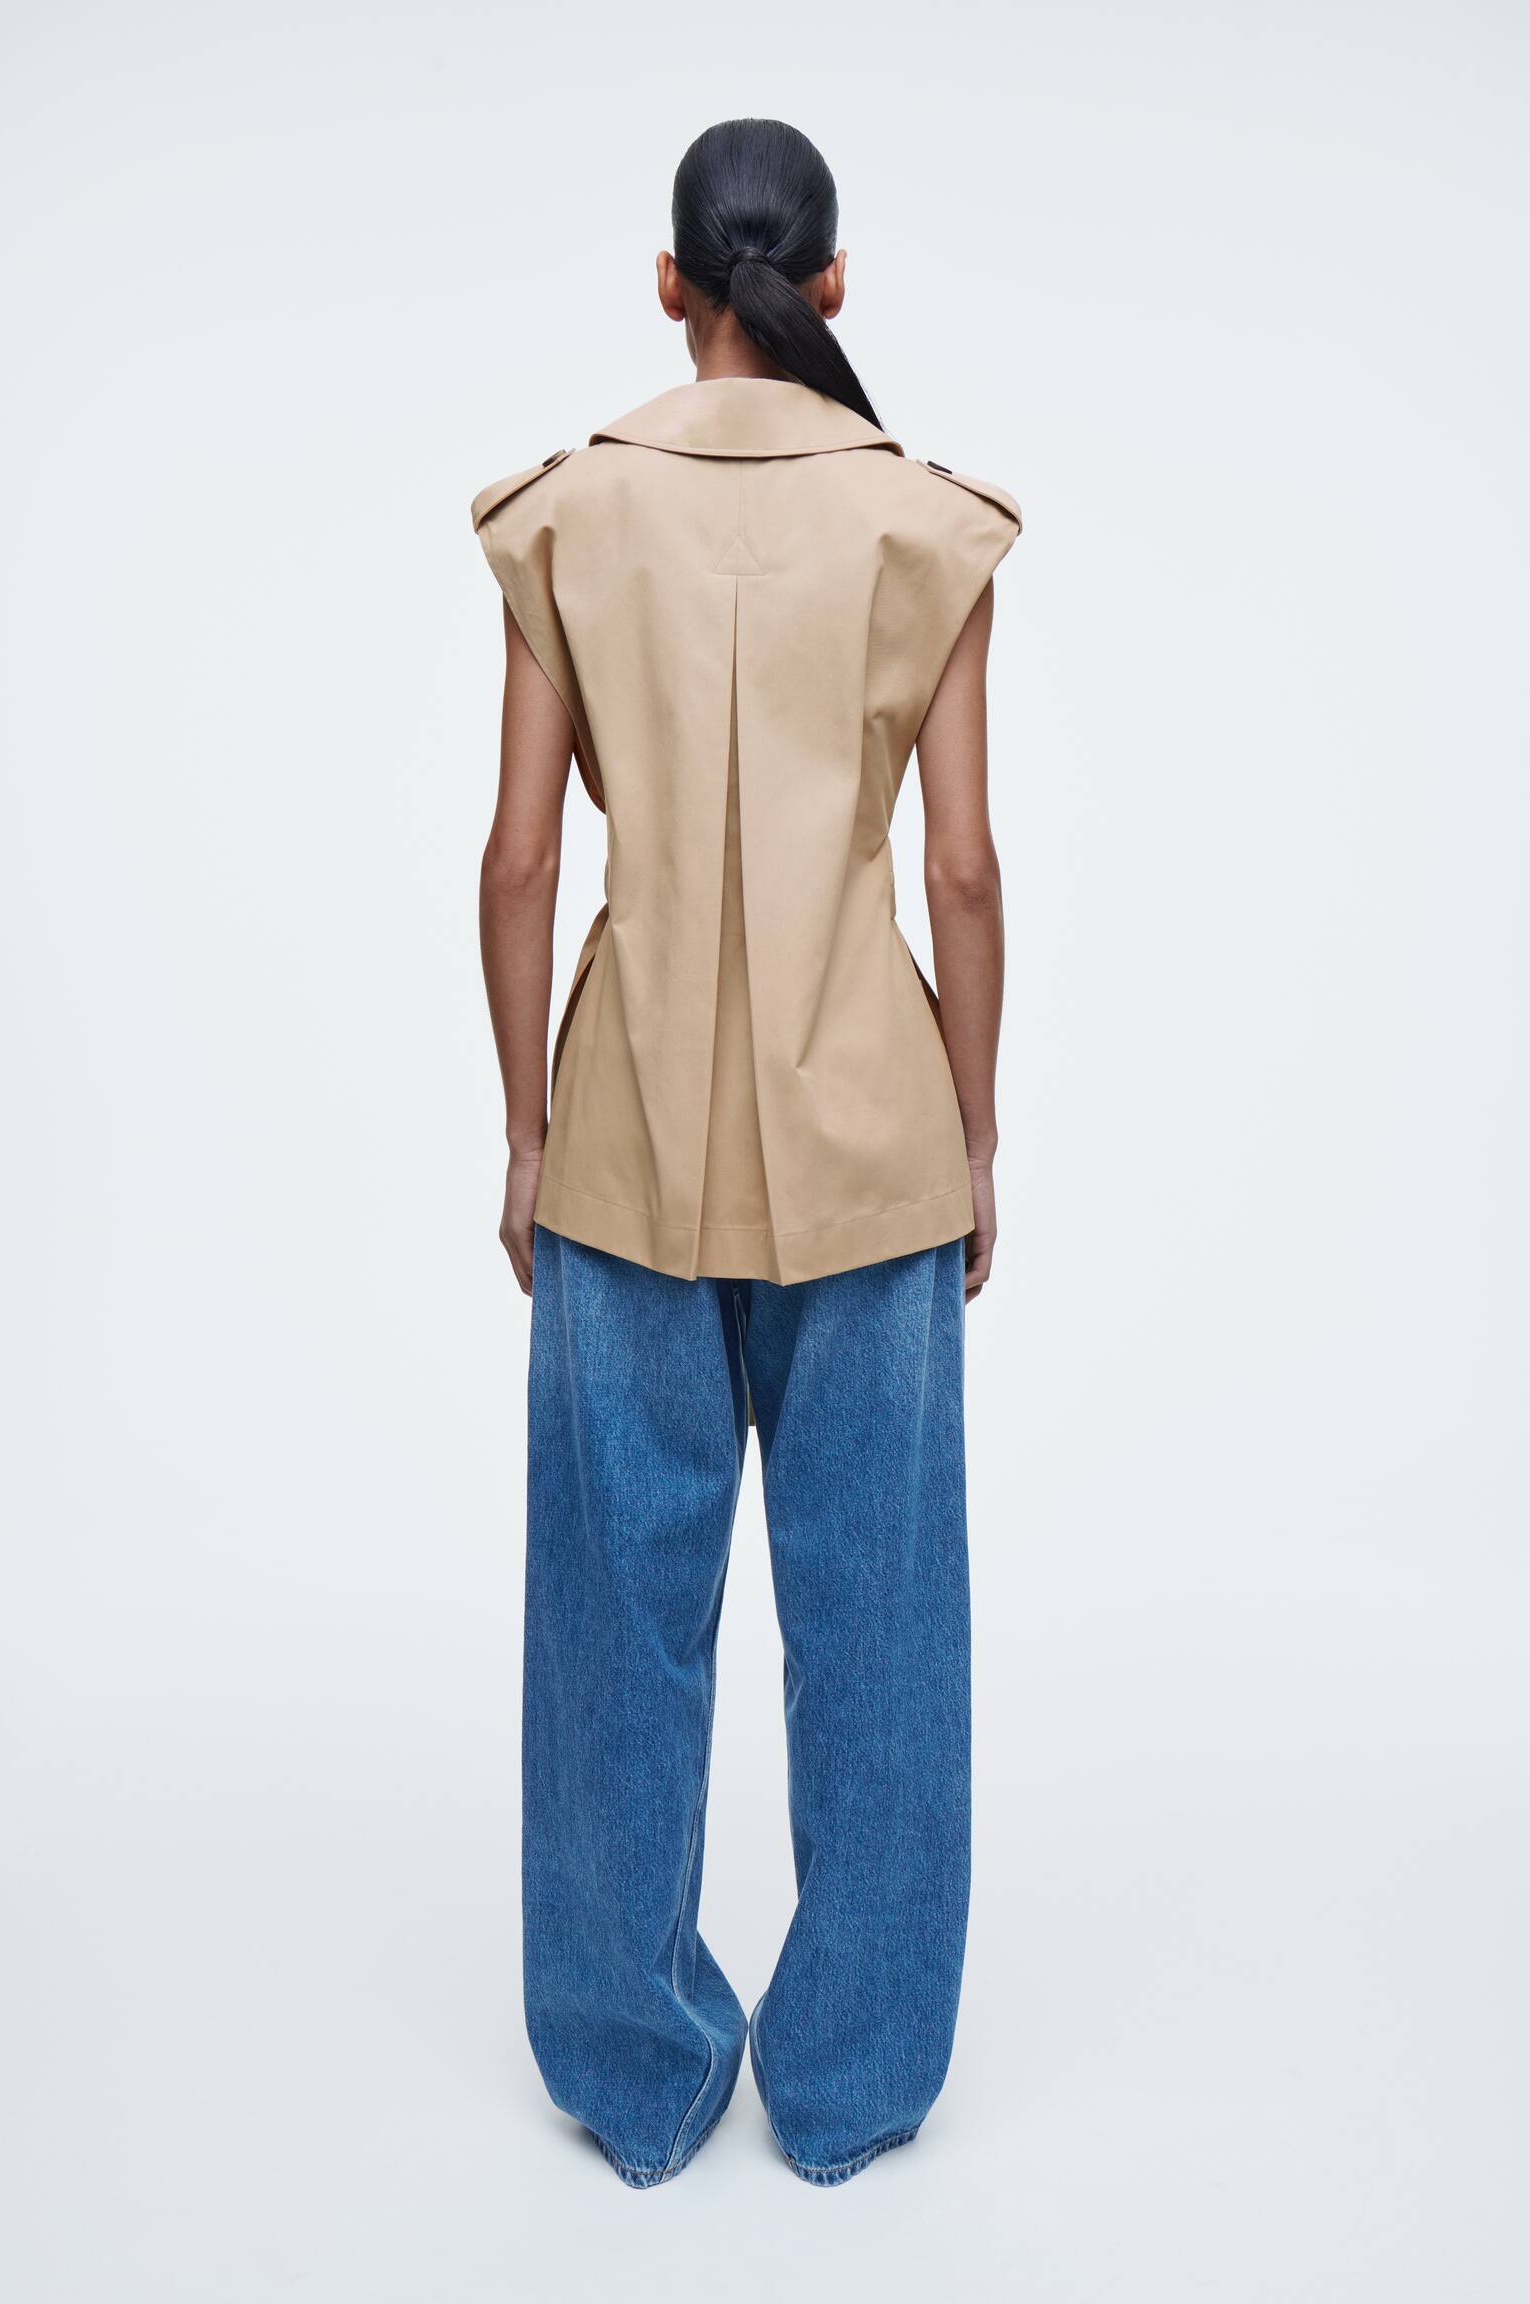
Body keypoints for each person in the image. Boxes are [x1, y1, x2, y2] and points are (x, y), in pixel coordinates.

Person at [472, 117, 1020, 2189]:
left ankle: (636, 2078)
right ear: (834, 287)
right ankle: (856, 2085)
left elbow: (521, 857)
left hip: (623, 1131)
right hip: (872, 1129)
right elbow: (959, 869)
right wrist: (977, 1128)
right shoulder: (922, 528)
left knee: (617, 1613)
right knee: (878, 1614)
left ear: (669, 285)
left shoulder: (569, 516)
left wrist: (525, 1129)